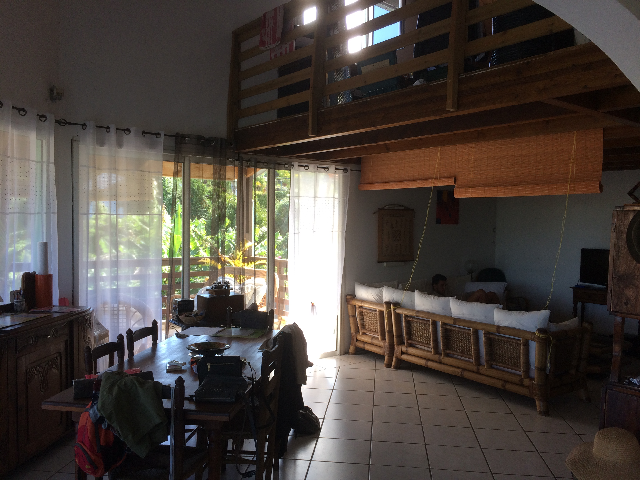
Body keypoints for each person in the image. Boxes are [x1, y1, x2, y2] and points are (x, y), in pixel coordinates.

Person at [432, 273, 500, 304]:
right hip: (460, 306)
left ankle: (500, 316)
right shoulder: (435, 297)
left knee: (492, 294)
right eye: (442, 285)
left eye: (445, 285)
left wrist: (471, 294)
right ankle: (485, 316)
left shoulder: (446, 291)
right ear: (435, 286)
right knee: (480, 292)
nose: (444, 287)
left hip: (463, 299)